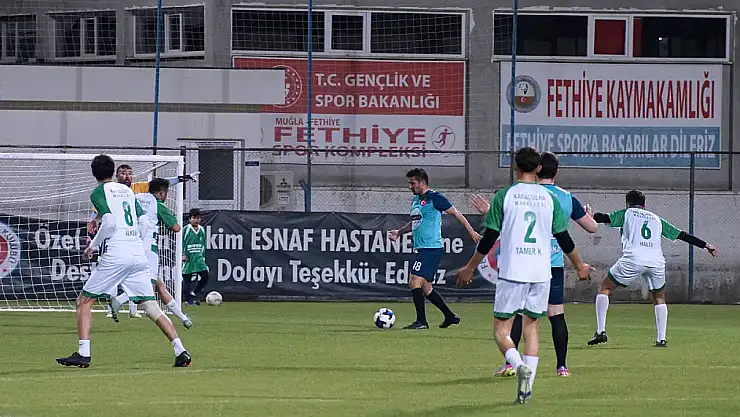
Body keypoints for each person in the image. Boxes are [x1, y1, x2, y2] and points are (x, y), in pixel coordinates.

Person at [456, 147, 591, 404]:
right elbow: (563, 237)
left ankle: (518, 366)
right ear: (538, 168)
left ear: (514, 166)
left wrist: (470, 267)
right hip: (541, 272)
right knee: (532, 326)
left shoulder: (504, 196)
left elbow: (490, 237)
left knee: (501, 331)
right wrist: (579, 265)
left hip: (513, 270)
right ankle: (526, 388)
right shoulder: (550, 199)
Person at [57, 154, 191, 368]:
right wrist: (135, 241)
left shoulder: (99, 192)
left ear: (94, 173)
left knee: (84, 301)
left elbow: (109, 223)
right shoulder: (128, 191)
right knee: (150, 305)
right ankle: (180, 350)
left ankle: (83, 353)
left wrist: (92, 246)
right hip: (138, 253)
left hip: (116, 254)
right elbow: (144, 222)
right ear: (113, 172)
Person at [587, 190, 718, 348]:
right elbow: (682, 235)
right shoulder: (656, 219)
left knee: (605, 287)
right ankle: (661, 339)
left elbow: (604, 218)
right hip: (656, 262)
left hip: (634, 259)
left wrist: (589, 216)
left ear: (628, 204)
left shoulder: (627, 213)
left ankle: (600, 331)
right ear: (644, 205)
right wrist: (706, 245)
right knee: (659, 297)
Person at [91, 165, 194, 318]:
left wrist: (180, 179)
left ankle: (182, 318)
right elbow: (175, 227)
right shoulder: (148, 199)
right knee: (148, 284)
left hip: (127, 241)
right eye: (123, 173)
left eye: (129, 173)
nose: (127, 176)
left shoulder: (135, 194)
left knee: (155, 283)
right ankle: (117, 301)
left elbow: (162, 184)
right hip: (143, 245)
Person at [388, 168, 481, 330]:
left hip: (431, 249)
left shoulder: (435, 198)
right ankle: (450, 316)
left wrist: (471, 231)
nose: (410, 186)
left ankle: (421, 322)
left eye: (412, 183)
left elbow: (456, 213)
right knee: (426, 288)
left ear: (422, 182)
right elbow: (415, 222)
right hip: (423, 249)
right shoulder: (416, 200)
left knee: (414, 281)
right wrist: (399, 232)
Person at [182, 208, 209, 305]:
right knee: (187, 280)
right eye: (194, 218)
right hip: (188, 258)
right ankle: (189, 300)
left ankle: (194, 293)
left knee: (205, 277)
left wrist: (203, 257)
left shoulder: (202, 230)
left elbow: (203, 245)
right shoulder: (186, 229)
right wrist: (182, 255)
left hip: (198, 258)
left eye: (198, 218)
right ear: (190, 219)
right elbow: (180, 242)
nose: (196, 220)